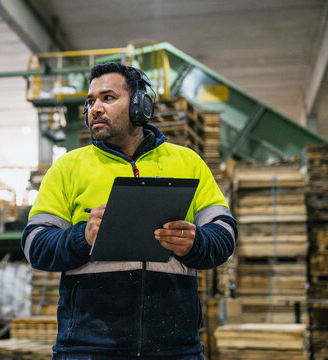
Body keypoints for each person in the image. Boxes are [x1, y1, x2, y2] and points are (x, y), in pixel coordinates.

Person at [21, 62, 237, 360]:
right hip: (88, 348)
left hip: (174, 349)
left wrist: (195, 242)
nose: (95, 108)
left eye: (107, 98)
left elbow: (224, 233)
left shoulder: (187, 163)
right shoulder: (67, 169)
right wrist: (82, 236)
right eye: (90, 101)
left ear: (140, 104)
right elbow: (35, 245)